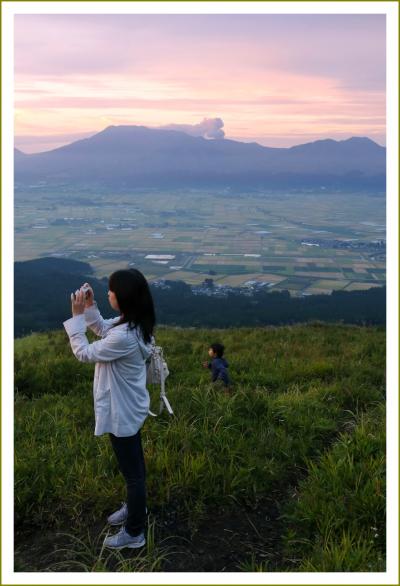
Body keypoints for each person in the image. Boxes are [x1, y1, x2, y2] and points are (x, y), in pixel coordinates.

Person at [63, 269, 156, 550]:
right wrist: (90, 307)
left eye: (112, 291)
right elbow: (105, 328)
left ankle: (135, 532)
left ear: (123, 298)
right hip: (131, 407)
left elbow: (84, 353)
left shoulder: (125, 336)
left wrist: (77, 315)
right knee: (135, 468)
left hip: (122, 412)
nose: (108, 293)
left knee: (133, 474)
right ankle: (135, 507)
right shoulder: (134, 324)